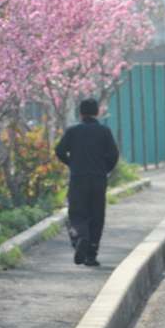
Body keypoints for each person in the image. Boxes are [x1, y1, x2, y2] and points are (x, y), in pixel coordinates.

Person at [55, 98, 119, 267]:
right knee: (97, 215)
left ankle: (80, 237)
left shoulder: (73, 131)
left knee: (77, 213)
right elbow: (113, 155)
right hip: (98, 179)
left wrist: (72, 163)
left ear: (80, 113)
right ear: (97, 112)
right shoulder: (104, 131)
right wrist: (105, 169)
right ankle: (91, 254)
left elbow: (59, 150)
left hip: (78, 178)